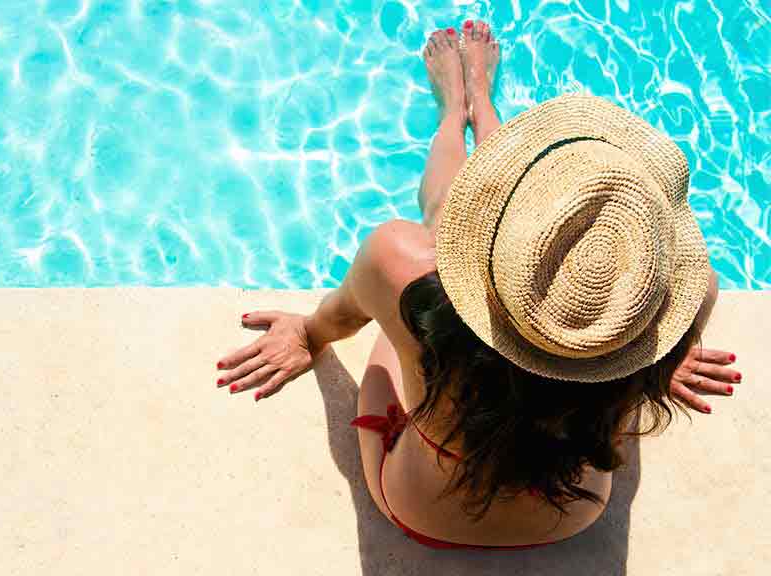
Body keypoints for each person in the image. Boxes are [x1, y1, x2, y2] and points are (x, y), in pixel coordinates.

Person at [215, 20, 741, 549]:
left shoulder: (395, 260)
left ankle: (456, 113)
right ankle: (482, 106)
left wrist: (304, 335)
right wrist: (645, 357)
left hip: (422, 511)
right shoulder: (689, 296)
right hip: (577, 513)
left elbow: (334, 323)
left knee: (439, 229)